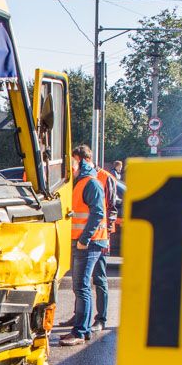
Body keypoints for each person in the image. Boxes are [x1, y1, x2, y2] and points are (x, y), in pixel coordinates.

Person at [59, 145, 119, 346]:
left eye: (73, 161)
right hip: (85, 241)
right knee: (81, 285)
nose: (70, 166)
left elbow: (99, 213)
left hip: (90, 243)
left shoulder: (91, 182)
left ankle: (81, 330)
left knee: (82, 285)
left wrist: (84, 239)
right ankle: (81, 328)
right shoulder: (81, 182)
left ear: (82, 161)